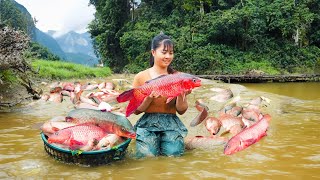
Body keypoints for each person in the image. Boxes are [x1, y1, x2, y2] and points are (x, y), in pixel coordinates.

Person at [132, 33, 191, 158]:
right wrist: (148, 98)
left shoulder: (179, 77)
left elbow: (182, 110)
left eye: (171, 53)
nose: (168, 56)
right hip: (147, 124)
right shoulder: (141, 77)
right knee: (146, 157)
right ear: (153, 52)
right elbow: (136, 111)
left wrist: (181, 95)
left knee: (174, 155)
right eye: (164, 52)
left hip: (172, 123)